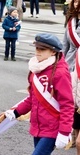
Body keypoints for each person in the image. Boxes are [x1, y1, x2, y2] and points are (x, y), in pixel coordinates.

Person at [5, 33, 74, 155]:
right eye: (37, 48)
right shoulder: (36, 69)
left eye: (42, 49)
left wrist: (64, 132)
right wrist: (16, 112)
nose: (38, 52)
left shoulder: (60, 73)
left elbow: (67, 104)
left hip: (53, 128)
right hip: (38, 125)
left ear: (53, 52)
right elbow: (32, 98)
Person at [63, 0, 80, 150]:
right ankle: (73, 137)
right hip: (70, 65)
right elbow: (65, 46)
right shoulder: (71, 22)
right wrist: (60, 64)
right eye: (74, 1)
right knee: (71, 101)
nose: (76, 4)